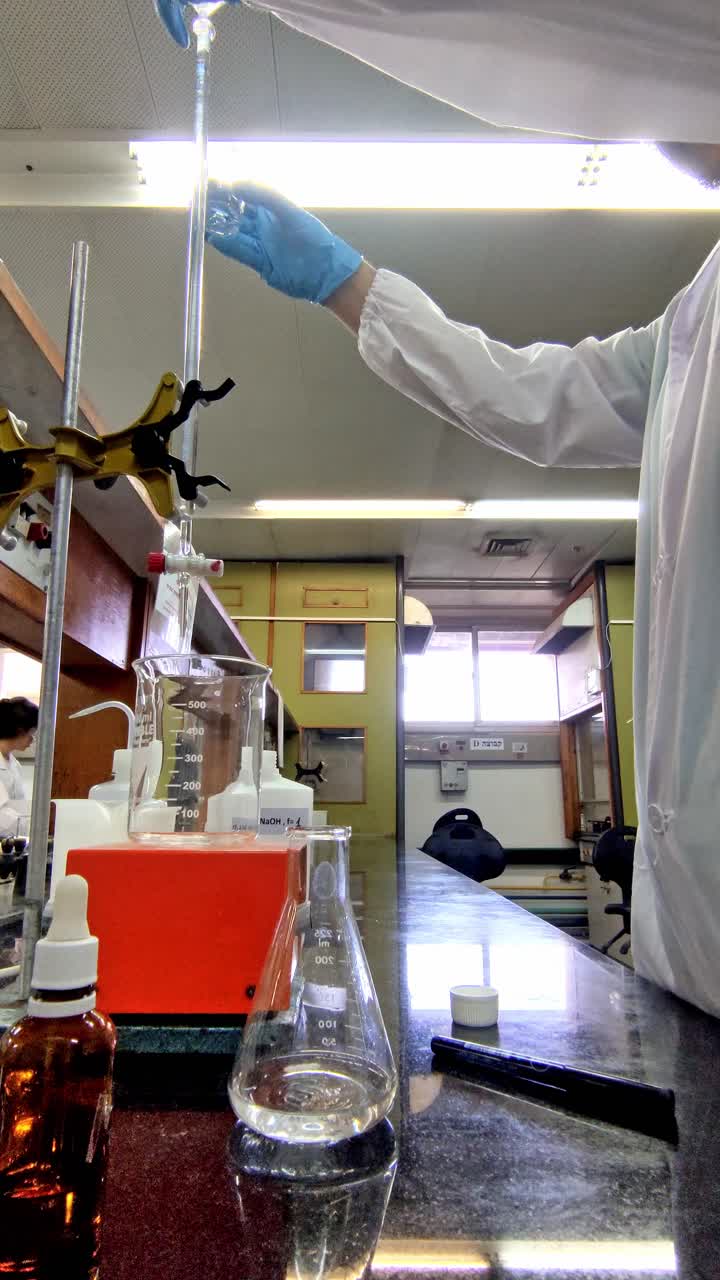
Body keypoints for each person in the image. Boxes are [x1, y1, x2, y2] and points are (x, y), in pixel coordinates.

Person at [0, 698, 38, 839]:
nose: (32, 739)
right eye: (32, 733)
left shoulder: (13, 764)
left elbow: (18, 806)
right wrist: (35, 829)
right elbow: (2, 819)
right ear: (20, 731)